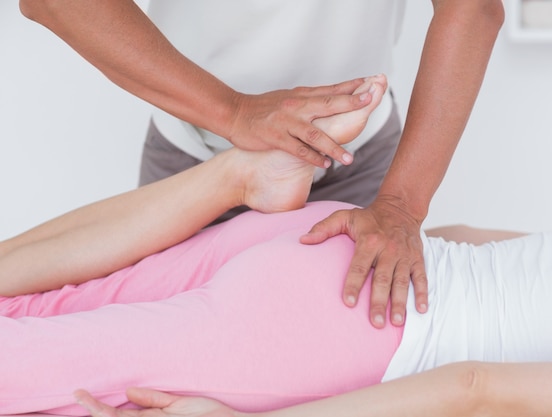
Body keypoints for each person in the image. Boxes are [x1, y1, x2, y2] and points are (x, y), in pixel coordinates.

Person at [1, 90, 552, 416]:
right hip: (358, 327)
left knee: (31, 303)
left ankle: (239, 173)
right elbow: (475, 390)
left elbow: (464, 240)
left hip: (338, 243)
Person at [17, 0, 506, 326]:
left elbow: (473, 7)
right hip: (194, 153)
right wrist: (231, 112)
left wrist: (400, 205)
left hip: (358, 165)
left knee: (350, 368)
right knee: (157, 371)